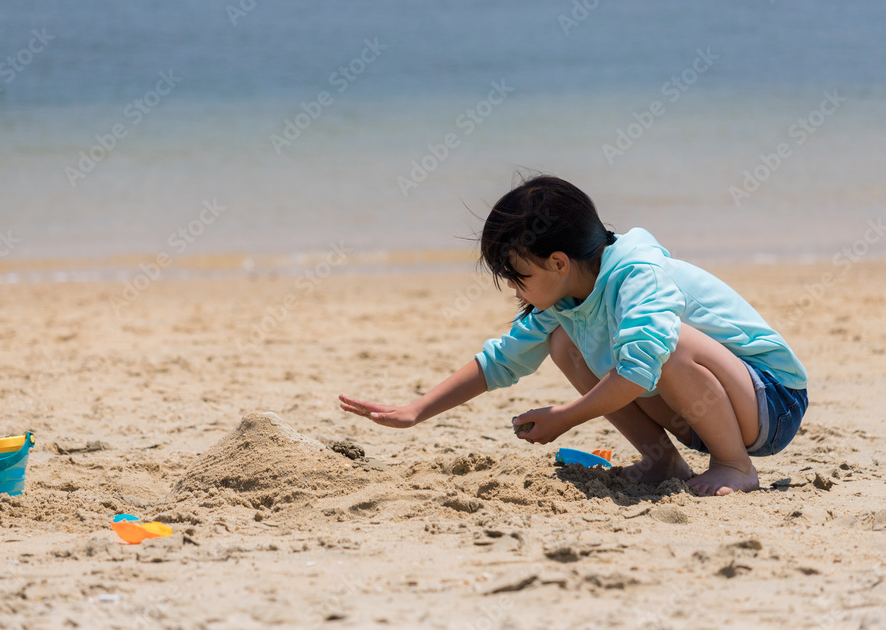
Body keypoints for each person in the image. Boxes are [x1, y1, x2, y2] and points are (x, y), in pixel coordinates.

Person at [339, 175, 808, 496]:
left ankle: (737, 467)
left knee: (664, 346)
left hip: (770, 401)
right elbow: (500, 361)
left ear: (559, 262)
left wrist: (566, 417)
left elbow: (640, 369)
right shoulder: (565, 298)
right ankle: (663, 460)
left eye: (517, 274)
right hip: (710, 413)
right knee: (565, 344)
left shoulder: (638, 277)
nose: (512, 287)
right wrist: (416, 410)